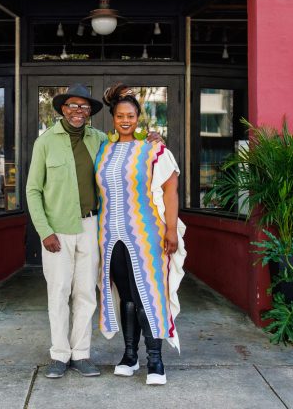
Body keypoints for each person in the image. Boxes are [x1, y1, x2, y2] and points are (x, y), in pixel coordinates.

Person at [95, 83, 186, 386]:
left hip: (146, 235)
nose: (125, 120)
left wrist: (171, 229)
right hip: (110, 235)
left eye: (131, 115)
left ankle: (156, 360)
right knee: (127, 296)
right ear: (113, 118)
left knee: (147, 293)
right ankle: (130, 355)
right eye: (120, 115)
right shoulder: (104, 150)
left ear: (138, 117)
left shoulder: (153, 148)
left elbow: (170, 189)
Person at [25, 83, 107, 379]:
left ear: (89, 113)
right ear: (62, 109)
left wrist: (150, 139)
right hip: (57, 229)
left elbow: (126, 157)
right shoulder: (45, 142)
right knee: (58, 292)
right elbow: (33, 190)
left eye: (84, 107)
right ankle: (60, 355)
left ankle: (81, 353)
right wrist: (44, 231)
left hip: (91, 227)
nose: (78, 111)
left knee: (86, 292)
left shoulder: (100, 139)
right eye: (72, 105)